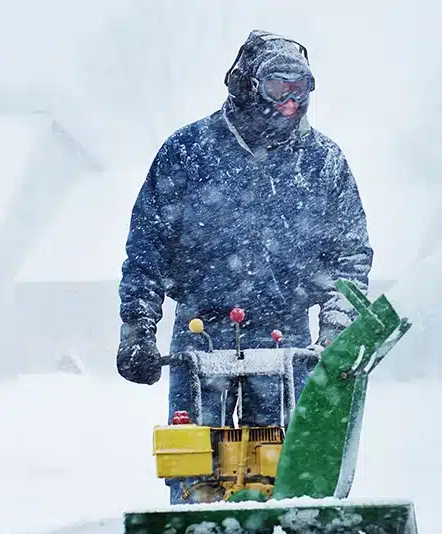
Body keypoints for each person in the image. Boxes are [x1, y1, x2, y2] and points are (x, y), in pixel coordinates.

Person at [115, 31, 373, 439]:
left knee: (286, 464)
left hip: (287, 337)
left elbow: (350, 256)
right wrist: (138, 326)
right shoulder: (188, 151)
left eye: (300, 89)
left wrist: (336, 330)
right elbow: (148, 246)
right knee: (195, 461)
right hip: (200, 332)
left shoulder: (323, 162)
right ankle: (195, 502)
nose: (290, 102)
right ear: (247, 86)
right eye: (277, 87)